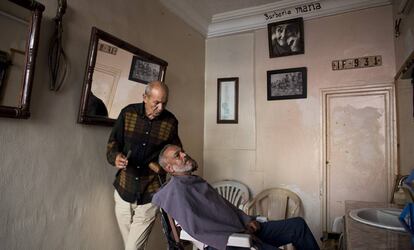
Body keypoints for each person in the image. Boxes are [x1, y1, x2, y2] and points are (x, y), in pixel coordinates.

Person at [153, 144, 320, 250]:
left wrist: (247, 219)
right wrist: (240, 233)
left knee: (298, 226)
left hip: (243, 227)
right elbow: (199, 228)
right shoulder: (175, 192)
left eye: (182, 152)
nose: (184, 155)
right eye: (177, 155)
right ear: (170, 168)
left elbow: (225, 206)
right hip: (231, 241)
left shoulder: (194, 181)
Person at [107, 81, 182, 250]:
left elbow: (175, 155)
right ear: (145, 98)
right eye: (156, 102)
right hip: (124, 190)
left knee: (132, 248)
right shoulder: (128, 113)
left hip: (150, 193)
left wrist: (161, 167)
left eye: (165, 103)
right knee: (132, 247)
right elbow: (113, 144)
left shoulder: (170, 122)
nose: (161, 107)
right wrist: (116, 157)